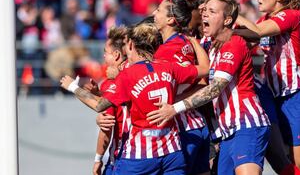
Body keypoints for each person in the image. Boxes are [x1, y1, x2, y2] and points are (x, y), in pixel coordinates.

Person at [60, 22, 210, 175]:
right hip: (172, 151)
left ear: (131, 44)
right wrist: (194, 42)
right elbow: (205, 69)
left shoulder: (126, 75)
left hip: (140, 156)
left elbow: (100, 106)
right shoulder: (168, 67)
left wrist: (73, 87)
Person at [147, 0, 270, 175]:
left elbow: (214, 89)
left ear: (227, 19)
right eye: (204, 10)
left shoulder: (233, 42)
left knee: (281, 160)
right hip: (227, 131)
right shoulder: (207, 43)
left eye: (212, 12)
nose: (204, 15)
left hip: (247, 124)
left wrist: (174, 108)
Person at [235, 0, 300, 174]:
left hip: (297, 97)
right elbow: (246, 39)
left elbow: (256, 31)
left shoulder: (291, 15)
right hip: (275, 98)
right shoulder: (265, 19)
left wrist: (229, 14)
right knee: (285, 163)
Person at [152, 0, 211, 175]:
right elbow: (203, 81)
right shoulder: (186, 43)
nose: (154, 13)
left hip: (181, 130)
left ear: (170, 19)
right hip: (198, 124)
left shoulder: (165, 52)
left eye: (159, 10)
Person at [81, 26, 130, 175]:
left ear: (116, 55)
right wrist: (101, 93)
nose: (103, 56)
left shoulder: (112, 81)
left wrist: (98, 159)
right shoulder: (137, 71)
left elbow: (106, 126)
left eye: (105, 52)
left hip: (124, 155)